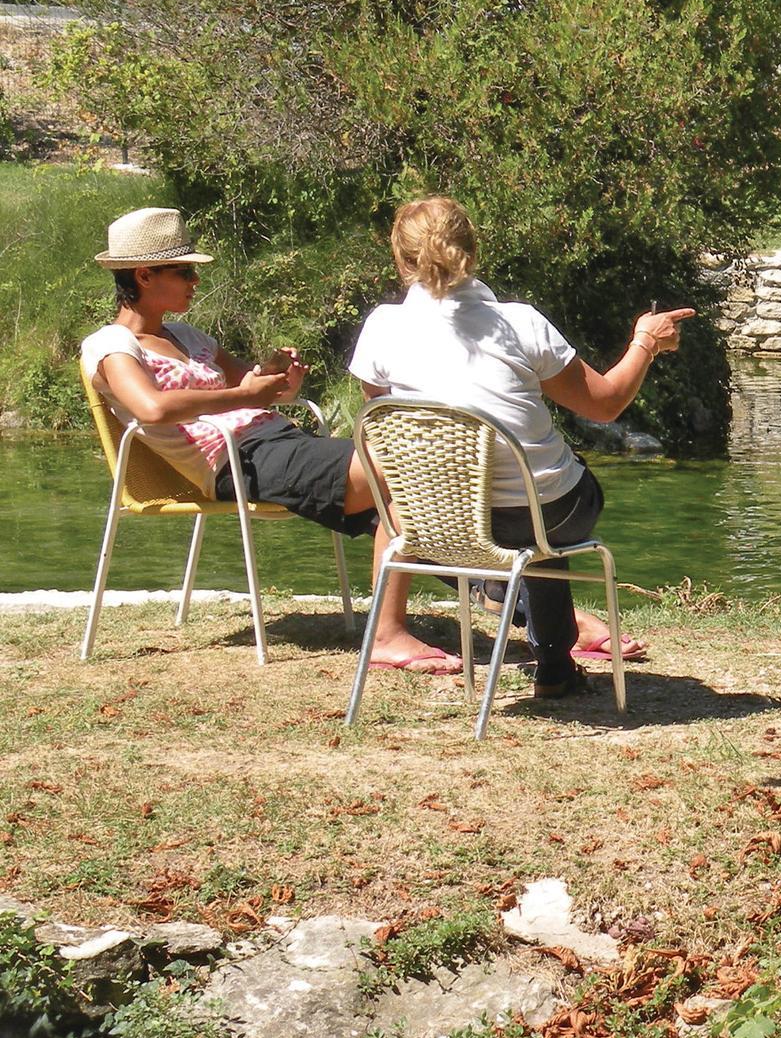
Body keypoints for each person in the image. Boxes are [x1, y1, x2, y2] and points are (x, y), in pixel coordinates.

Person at [348, 196, 693, 698]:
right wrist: (646, 341)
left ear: (401, 260)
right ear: (473, 251)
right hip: (541, 516)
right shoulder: (518, 323)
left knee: (515, 504)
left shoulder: (381, 327)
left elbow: (387, 426)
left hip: (438, 520)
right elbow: (605, 404)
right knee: (547, 503)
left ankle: (531, 638)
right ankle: (554, 664)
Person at [78, 206, 406, 631]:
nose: (196, 281)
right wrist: (246, 395)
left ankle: (485, 592)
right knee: (402, 467)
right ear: (144, 275)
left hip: (279, 441)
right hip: (235, 461)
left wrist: (278, 378)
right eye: (185, 272)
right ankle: (390, 634)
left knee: (416, 498)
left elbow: (259, 389)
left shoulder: (189, 336)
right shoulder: (111, 344)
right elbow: (151, 409)